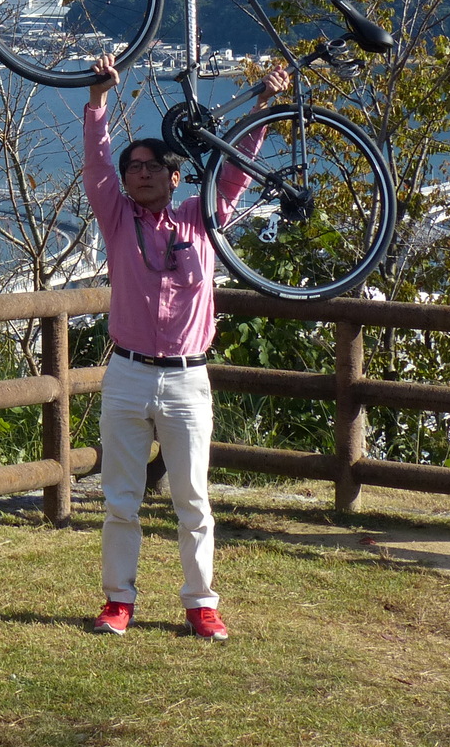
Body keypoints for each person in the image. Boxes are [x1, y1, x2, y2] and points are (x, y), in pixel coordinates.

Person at [83, 52, 289, 641]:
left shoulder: (205, 219)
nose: (141, 172)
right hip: (126, 373)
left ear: (176, 177)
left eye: (154, 166)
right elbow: (96, 167)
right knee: (120, 497)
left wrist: (264, 105)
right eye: (134, 167)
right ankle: (117, 600)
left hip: (187, 377)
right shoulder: (117, 220)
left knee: (193, 498)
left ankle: (201, 603)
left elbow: (237, 170)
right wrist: (98, 103)